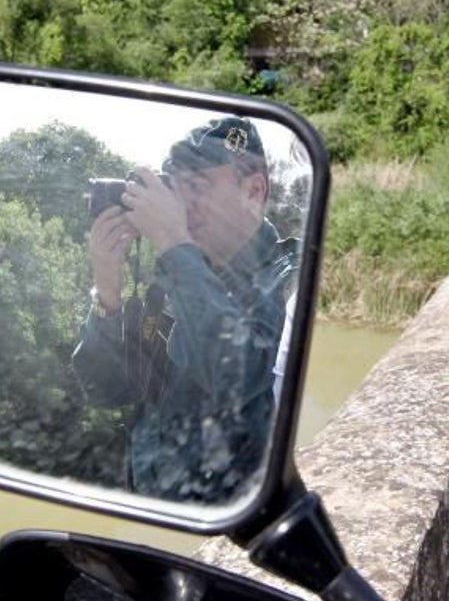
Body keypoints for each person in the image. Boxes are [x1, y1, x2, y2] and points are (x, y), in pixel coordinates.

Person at [72, 116, 298, 503]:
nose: (180, 203)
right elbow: (108, 391)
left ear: (254, 191)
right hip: (152, 513)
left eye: (197, 185)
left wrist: (174, 243)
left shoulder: (288, 281)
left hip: (227, 521)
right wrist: (108, 294)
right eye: (175, 186)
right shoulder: (170, 283)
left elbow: (238, 382)